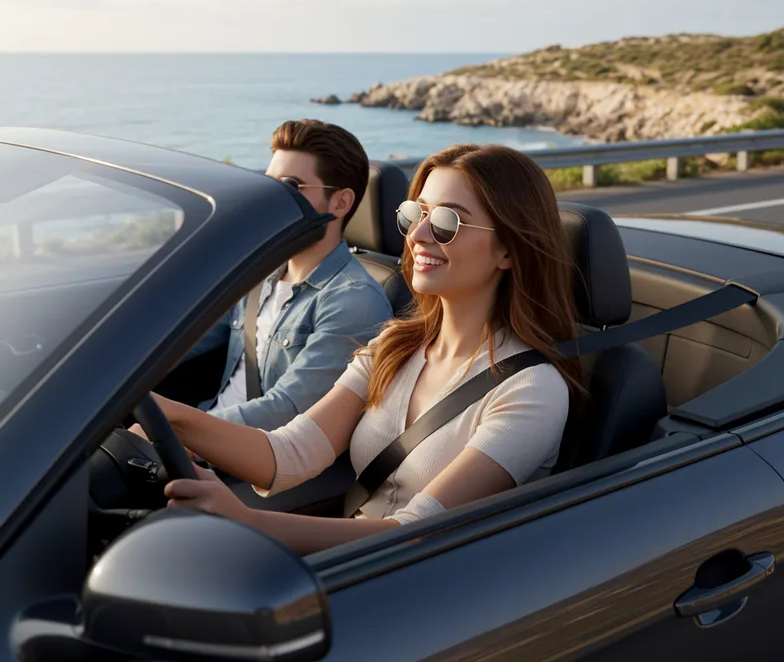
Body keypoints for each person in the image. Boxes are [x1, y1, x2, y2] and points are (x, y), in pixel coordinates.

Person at [148, 143, 584, 555]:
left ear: (508, 250)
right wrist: (164, 415)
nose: (419, 235)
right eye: (417, 214)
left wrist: (248, 522)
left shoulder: (532, 390)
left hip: (423, 589)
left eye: (448, 222)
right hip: (355, 566)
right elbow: (289, 454)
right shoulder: (393, 346)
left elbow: (415, 534)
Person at [154, 119, 393, 432]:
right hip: (201, 434)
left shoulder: (353, 301)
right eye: (271, 183)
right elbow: (182, 340)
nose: (275, 197)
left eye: (291, 186)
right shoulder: (261, 273)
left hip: (239, 463)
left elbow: (287, 411)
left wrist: (179, 430)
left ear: (341, 203)